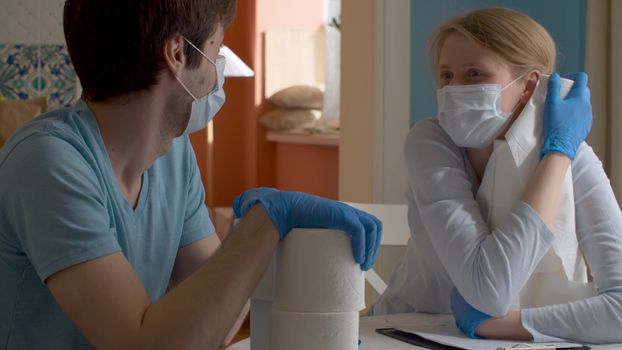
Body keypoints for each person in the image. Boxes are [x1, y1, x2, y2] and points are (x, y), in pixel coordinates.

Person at [0, 1, 381, 349]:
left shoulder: (173, 157)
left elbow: (213, 325)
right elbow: (143, 345)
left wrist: (249, 238)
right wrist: (260, 226)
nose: (219, 74)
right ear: (179, 54)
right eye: (216, 50)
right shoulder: (47, 161)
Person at [371, 7, 622, 344]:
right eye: (446, 76)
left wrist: (503, 325)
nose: (453, 89)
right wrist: (558, 154)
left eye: (474, 74)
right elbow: (489, 290)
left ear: (528, 86)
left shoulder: (574, 156)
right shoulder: (430, 142)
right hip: (401, 335)